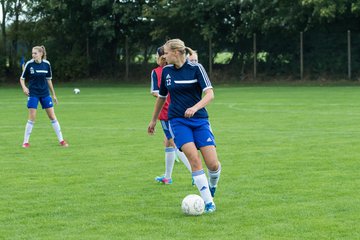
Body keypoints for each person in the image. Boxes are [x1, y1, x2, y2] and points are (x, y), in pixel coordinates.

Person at [148, 39, 221, 213]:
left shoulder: (196, 69)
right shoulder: (166, 71)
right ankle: (208, 203)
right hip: (177, 121)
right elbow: (161, 97)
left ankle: (212, 185)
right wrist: (153, 120)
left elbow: (210, 94)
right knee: (194, 159)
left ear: (176, 52)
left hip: (200, 120)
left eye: (165, 52)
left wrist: (195, 108)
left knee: (213, 164)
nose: (163, 56)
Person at [150, 46, 192, 184]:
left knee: (175, 143)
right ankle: (167, 177)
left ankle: (194, 173)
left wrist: (163, 95)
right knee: (168, 142)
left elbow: (156, 92)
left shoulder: (157, 72)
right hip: (179, 109)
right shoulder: (175, 70)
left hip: (166, 112)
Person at [20, 45, 68, 148]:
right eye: (32, 53)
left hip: (45, 93)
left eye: (35, 53)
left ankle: (62, 140)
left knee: (52, 116)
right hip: (33, 93)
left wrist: (54, 94)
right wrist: (24, 88)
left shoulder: (47, 64)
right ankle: (25, 142)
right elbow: (22, 78)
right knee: (32, 117)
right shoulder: (29, 64)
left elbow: (49, 80)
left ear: (41, 54)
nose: (33, 55)